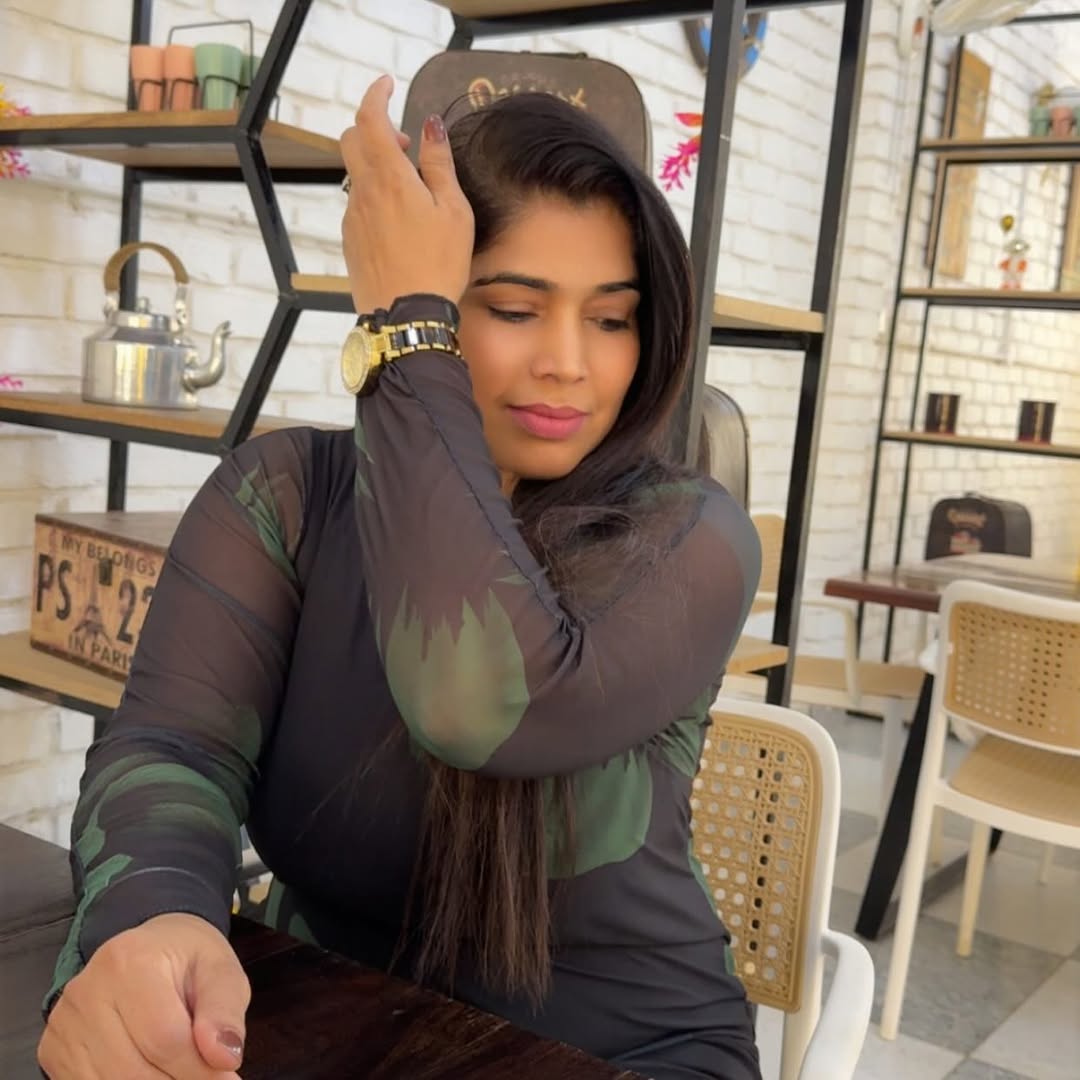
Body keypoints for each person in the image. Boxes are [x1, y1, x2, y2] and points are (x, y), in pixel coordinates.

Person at [37, 76, 762, 1080]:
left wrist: (407, 327)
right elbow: (174, 748)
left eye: (611, 320)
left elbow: (476, 705)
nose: (569, 363)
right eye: (514, 308)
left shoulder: (690, 536)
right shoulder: (287, 498)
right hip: (332, 1016)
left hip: (624, 1053)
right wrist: (152, 918)